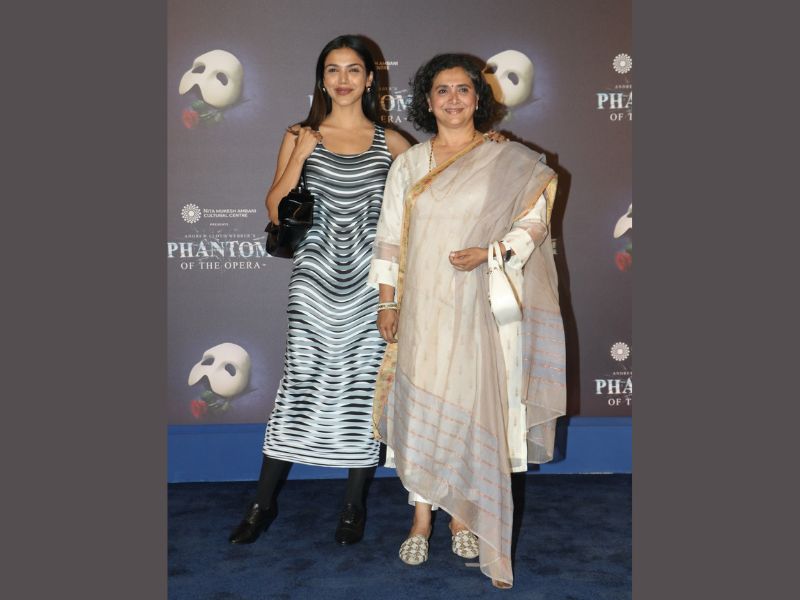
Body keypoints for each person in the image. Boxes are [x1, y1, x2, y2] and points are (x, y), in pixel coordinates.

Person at [368, 53, 566, 588]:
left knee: (471, 404)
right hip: (423, 307)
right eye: (442, 90)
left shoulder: (507, 159)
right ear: (427, 102)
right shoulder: (410, 164)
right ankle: (420, 518)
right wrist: (387, 302)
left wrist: (491, 252)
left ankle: (463, 516)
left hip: (481, 304)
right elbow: (388, 237)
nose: (453, 99)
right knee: (423, 408)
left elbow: (534, 225)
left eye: (462, 89)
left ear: (479, 98)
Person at [228, 34, 411, 546]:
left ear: (369, 79)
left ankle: (352, 507)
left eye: (353, 70)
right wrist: (302, 153)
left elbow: (433, 189)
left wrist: (489, 142)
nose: (343, 79)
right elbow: (274, 207)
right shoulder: (299, 134)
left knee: (363, 389)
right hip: (313, 280)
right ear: (322, 78)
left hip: (371, 286)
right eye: (333, 69)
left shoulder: (393, 143)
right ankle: (262, 505)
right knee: (300, 383)